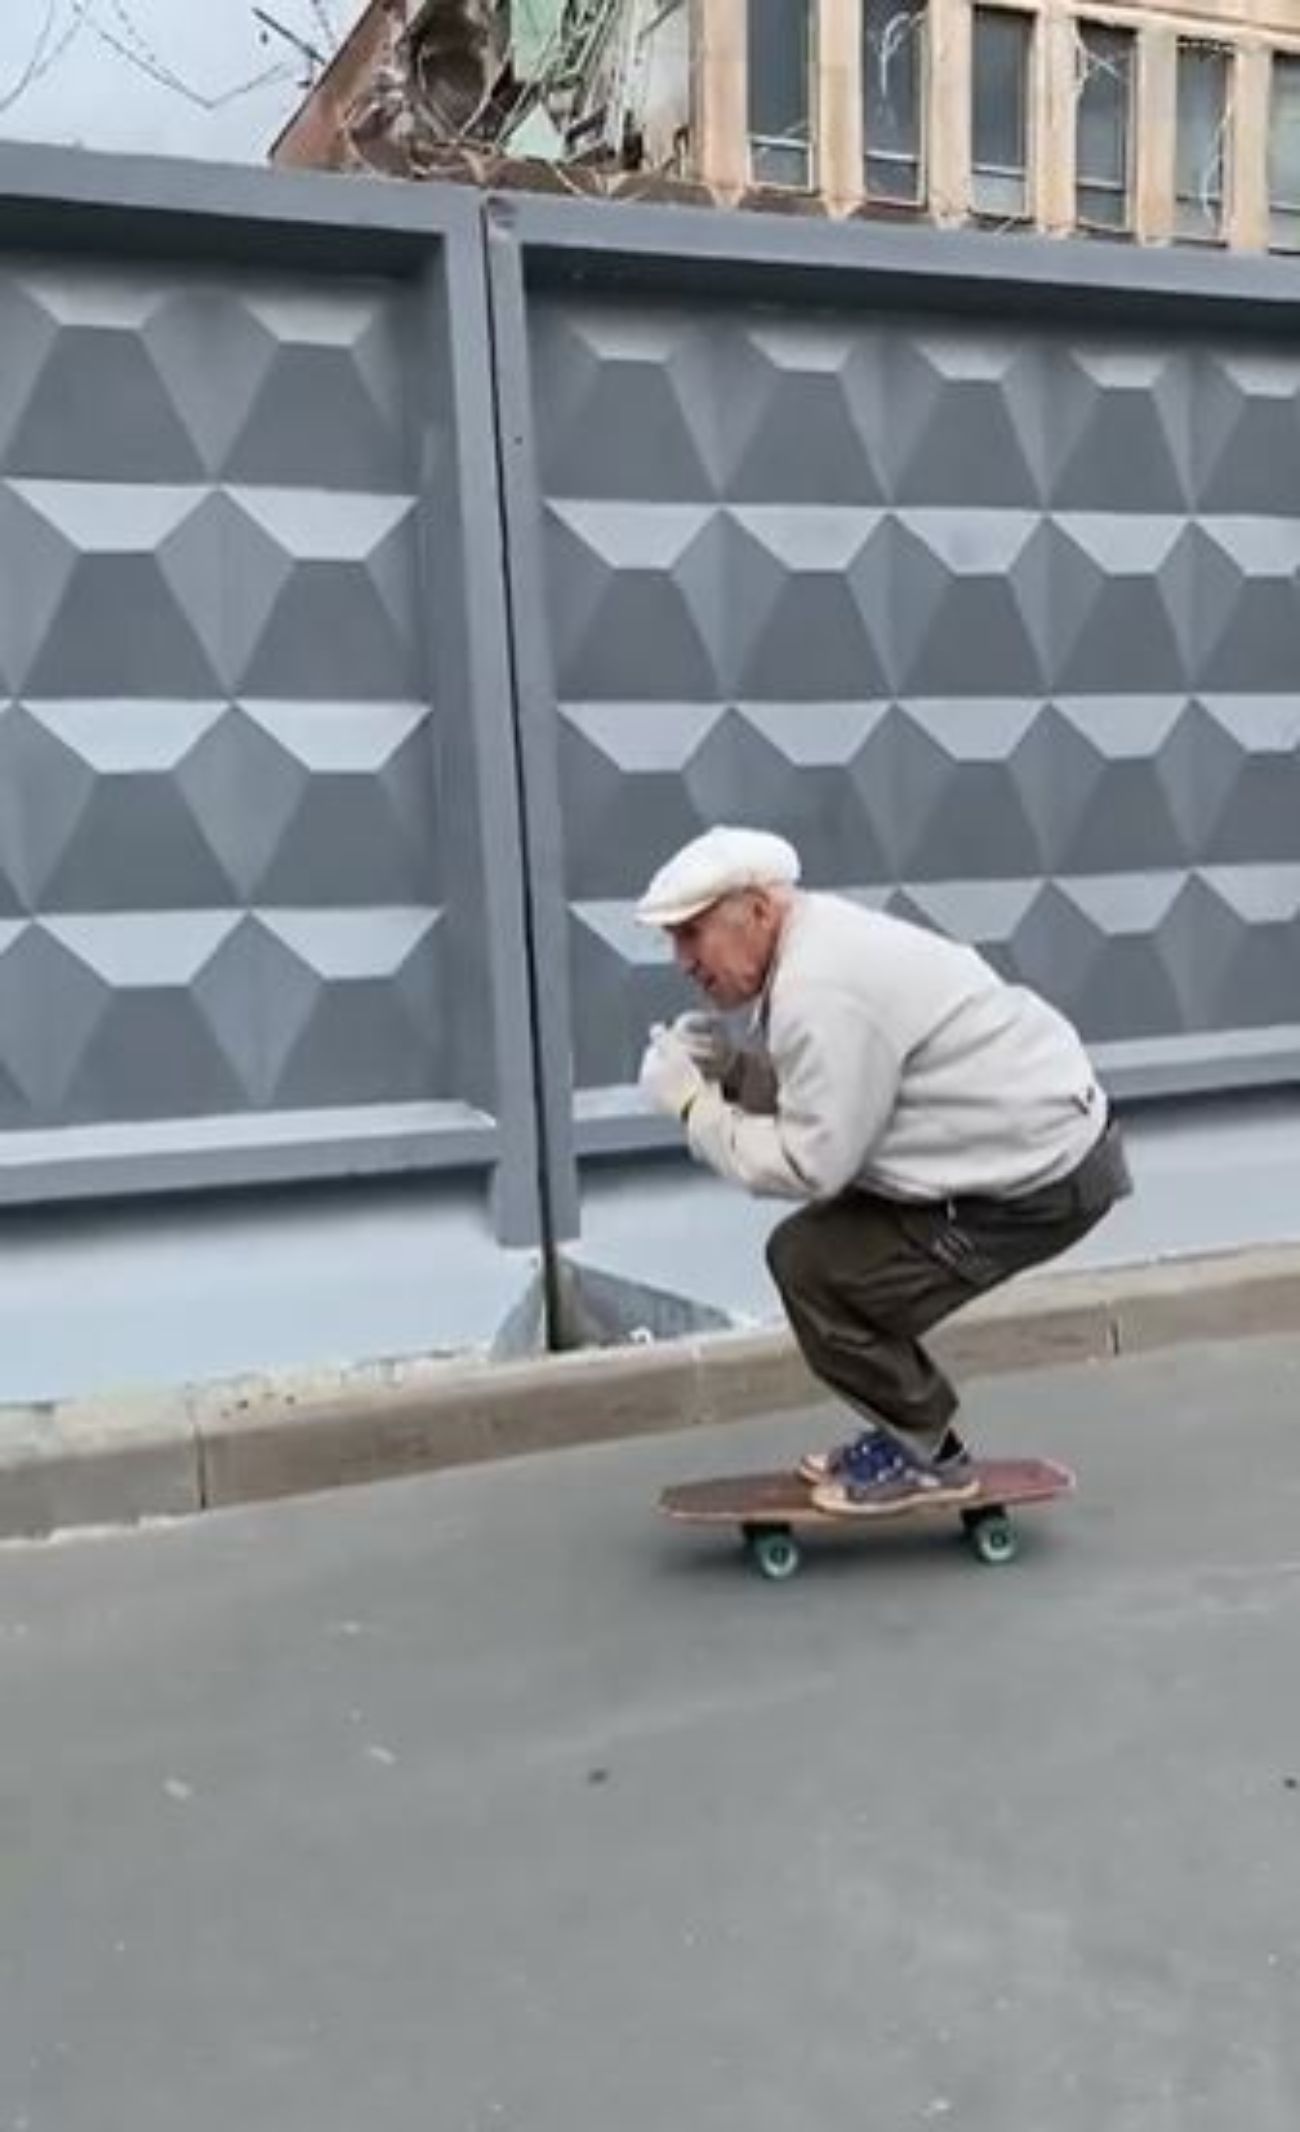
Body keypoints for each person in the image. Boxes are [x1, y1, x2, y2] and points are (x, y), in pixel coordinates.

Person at [635, 825, 1132, 1516]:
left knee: (818, 1269)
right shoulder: (819, 942)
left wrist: (693, 1106)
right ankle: (911, 1431)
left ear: (756, 909)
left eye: (692, 934)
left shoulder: (820, 989)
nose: (682, 960)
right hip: (1033, 1150)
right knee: (831, 1261)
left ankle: (929, 1456)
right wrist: (733, 1070)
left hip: (1041, 1182)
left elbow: (812, 1164)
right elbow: (841, 1095)